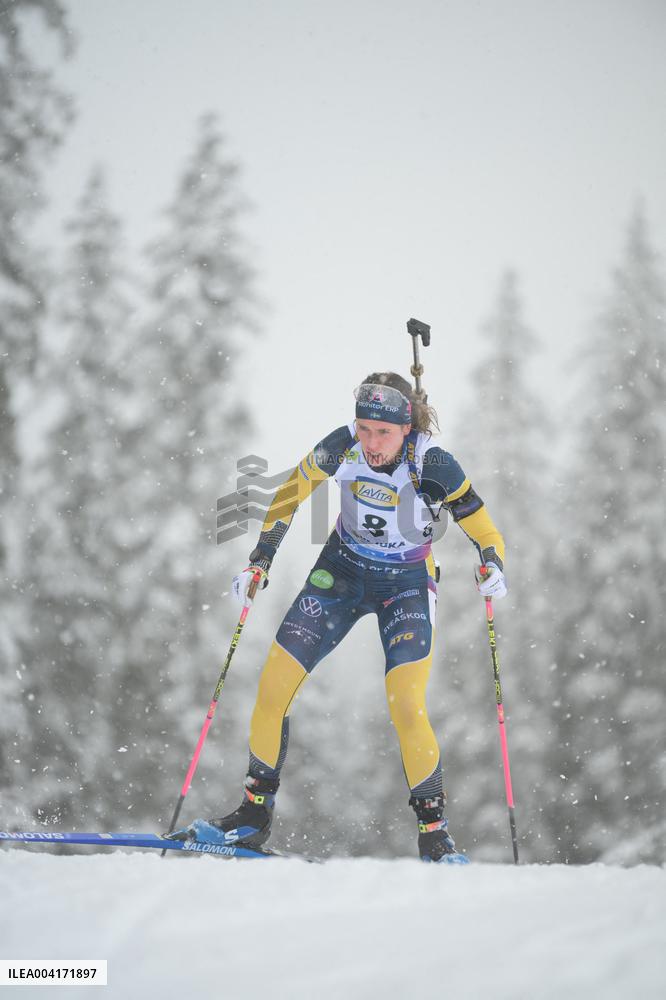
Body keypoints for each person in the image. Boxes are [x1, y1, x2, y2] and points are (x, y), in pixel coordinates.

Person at [176, 372, 506, 862]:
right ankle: (252, 817)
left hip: (406, 585)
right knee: (272, 689)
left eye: (384, 432)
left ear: (407, 427)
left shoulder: (433, 463)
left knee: (407, 705)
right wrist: (260, 559)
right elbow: (290, 493)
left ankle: (435, 836)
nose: (371, 443)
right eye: (364, 428)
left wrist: (492, 563)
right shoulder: (342, 446)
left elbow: (483, 528)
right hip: (341, 573)